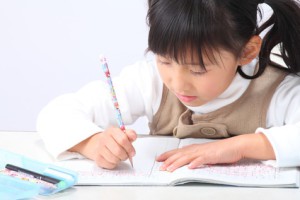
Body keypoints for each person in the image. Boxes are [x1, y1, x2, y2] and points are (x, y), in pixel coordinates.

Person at [37, 0, 300, 172]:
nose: (176, 81)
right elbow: (56, 113)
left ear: (247, 51)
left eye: (198, 69)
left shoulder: (276, 89)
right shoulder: (149, 81)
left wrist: (239, 146)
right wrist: (91, 143)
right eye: (164, 61)